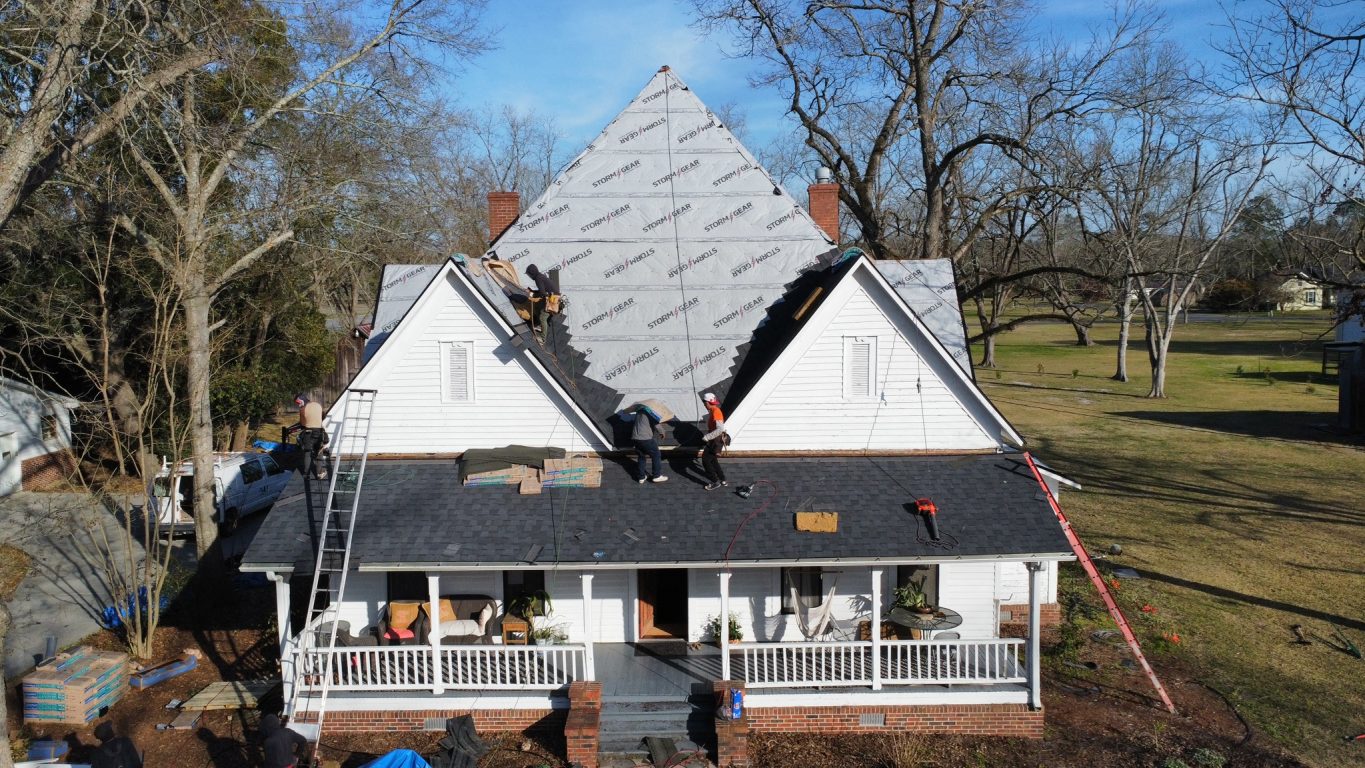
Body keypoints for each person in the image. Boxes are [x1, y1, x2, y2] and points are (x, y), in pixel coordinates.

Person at [284, 394, 329, 481]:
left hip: (308, 434)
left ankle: (306, 475)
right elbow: (323, 416)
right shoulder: (318, 405)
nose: (298, 405)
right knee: (319, 452)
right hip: (319, 432)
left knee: (307, 453)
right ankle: (319, 473)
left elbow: (302, 424)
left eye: (298, 403)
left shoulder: (302, 409)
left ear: (301, 401)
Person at [631, 405, 668, 484]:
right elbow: (656, 424)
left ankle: (641, 477)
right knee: (656, 454)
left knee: (641, 457)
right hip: (645, 439)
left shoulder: (638, 412)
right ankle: (656, 476)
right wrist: (662, 432)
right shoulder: (649, 412)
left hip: (635, 438)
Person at [700, 392, 728, 491]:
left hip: (714, 441)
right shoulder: (713, 410)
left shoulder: (716, 411)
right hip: (715, 440)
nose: (704, 404)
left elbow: (720, 429)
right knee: (713, 460)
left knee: (705, 460)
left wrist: (707, 437)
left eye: (704, 402)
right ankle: (723, 479)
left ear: (708, 402)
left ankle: (715, 481)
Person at [524, 264, 558, 338]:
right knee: (538, 306)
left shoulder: (538, 279)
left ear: (532, 273)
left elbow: (542, 293)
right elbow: (542, 290)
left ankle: (542, 338)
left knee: (543, 317)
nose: (529, 277)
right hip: (553, 297)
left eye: (529, 275)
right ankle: (539, 325)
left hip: (552, 299)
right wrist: (532, 291)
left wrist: (532, 294)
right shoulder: (540, 276)